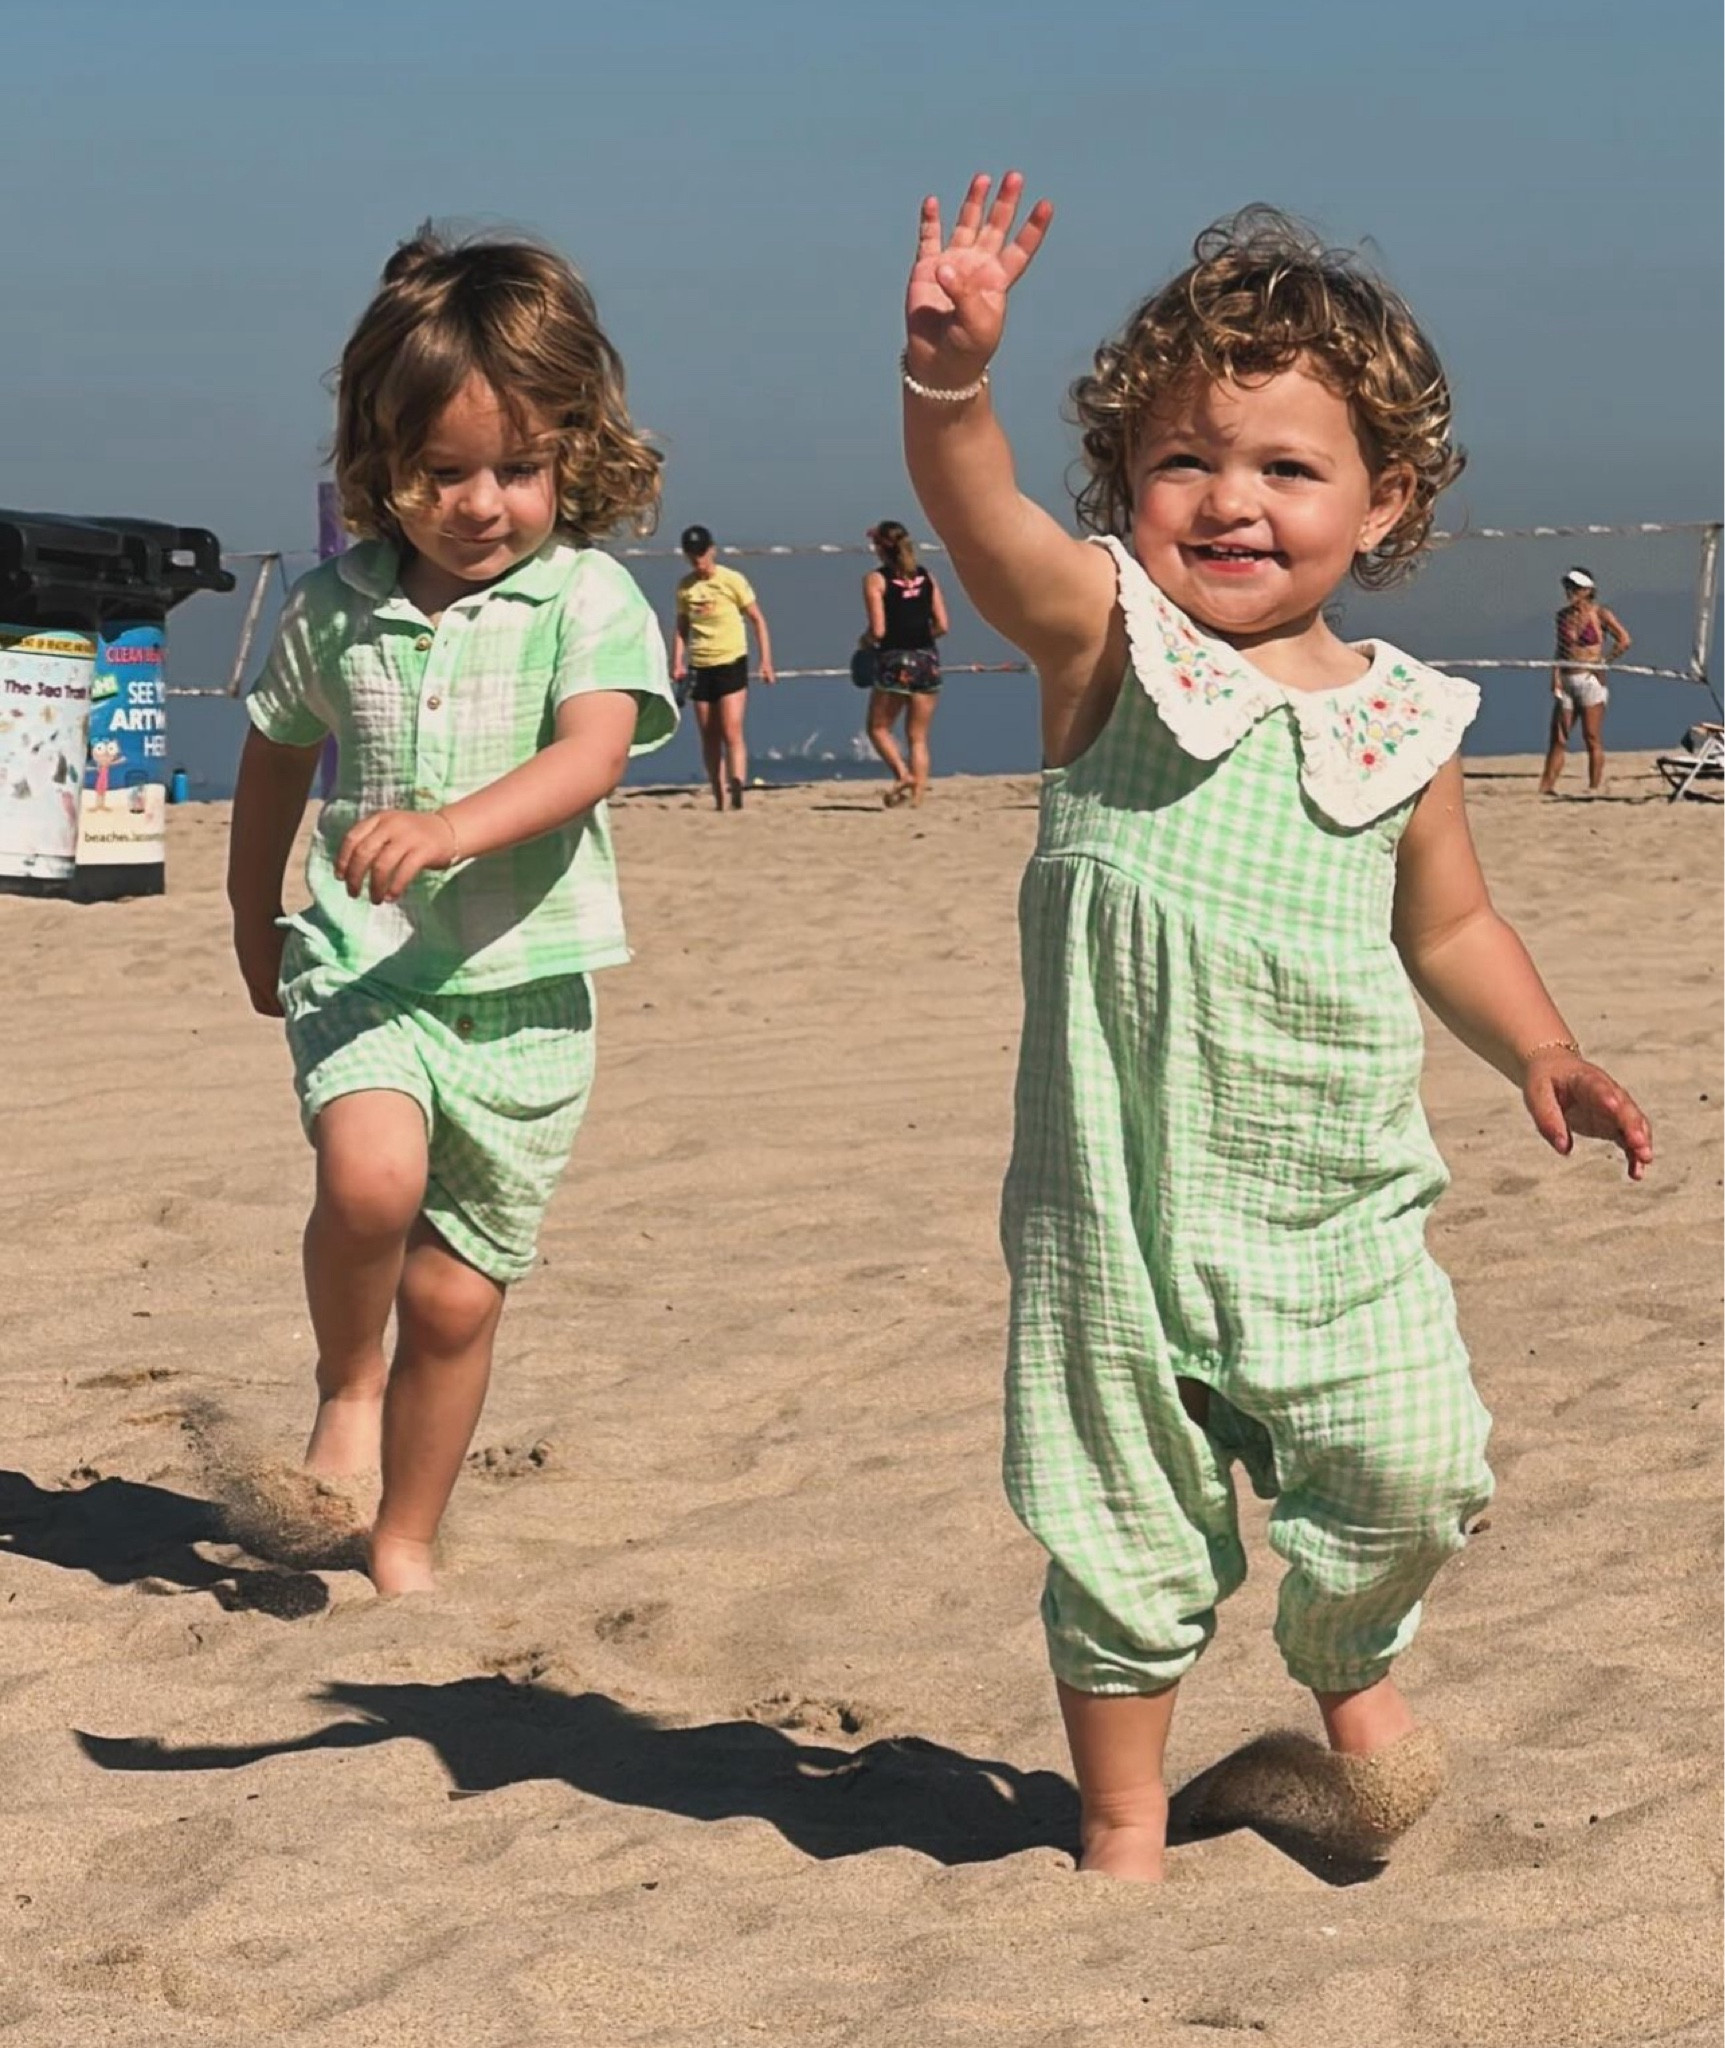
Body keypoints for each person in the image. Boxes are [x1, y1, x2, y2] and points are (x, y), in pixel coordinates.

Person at [902, 175, 1653, 1882]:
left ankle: (1346, 1667)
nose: (1230, 501)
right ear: (1128, 487)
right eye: (1185, 462)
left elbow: (1448, 920)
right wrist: (950, 385)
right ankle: (1120, 1830)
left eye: (1287, 468)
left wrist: (1540, 1047)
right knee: (1122, 1523)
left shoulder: (1408, 718)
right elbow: (981, 523)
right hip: (1119, 1208)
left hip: (1332, 1203)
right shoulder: (1110, 645)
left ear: (1385, 501)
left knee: (1412, 1460)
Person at [226, 228, 677, 1596]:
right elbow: (272, 760)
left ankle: (405, 1537)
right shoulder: (331, 611)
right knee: (370, 1182)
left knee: (459, 1293)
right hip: (365, 969)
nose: (481, 504)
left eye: (519, 470)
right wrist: (253, 918)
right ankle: (344, 1384)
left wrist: (452, 828)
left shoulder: (587, 598)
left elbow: (591, 754)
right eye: (443, 472)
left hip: (527, 993)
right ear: (379, 464)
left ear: (573, 458)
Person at [671, 524, 776, 810]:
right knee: (709, 733)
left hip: (731, 660)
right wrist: (676, 661)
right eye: (693, 556)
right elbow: (682, 627)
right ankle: (718, 792)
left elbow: (757, 619)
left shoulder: (732, 580)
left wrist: (765, 661)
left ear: (712, 550)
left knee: (731, 728)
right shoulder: (686, 587)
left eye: (702, 554)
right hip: (700, 664)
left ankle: (738, 784)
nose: (698, 561)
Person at [860, 520, 951, 806]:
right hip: (927, 658)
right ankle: (917, 799)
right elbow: (942, 625)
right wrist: (921, 636)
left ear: (880, 548)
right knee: (918, 736)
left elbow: (878, 630)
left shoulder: (877, 580)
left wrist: (864, 643)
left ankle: (902, 773)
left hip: (895, 658)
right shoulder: (926, 577)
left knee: (878, 727)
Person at [1538, 567, 1631, 796]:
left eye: (1576, 588)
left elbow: (1624, 640)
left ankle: (1594, 786)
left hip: (1590, 681)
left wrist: (1603, 661)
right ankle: (1546, 787)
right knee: (1559, 737)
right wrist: (1555, 677)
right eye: (1569, 587)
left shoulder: (1600, 614)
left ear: (1588, 590)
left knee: (1591, 736)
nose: (1571, 592)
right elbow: (1560, 650)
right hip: (1568, 680)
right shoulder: (1563, 616)